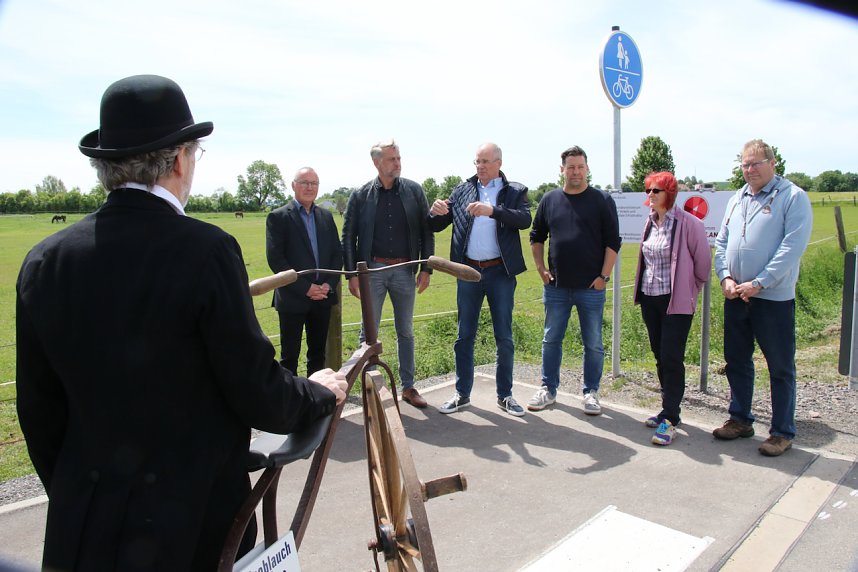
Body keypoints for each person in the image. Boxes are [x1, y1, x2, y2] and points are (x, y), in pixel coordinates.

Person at [15, 75, 347, 571]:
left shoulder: (45, 261)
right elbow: (256, 390)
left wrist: (81, 494)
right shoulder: (205, 251)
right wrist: (320, 391)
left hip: (83, 533)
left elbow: (38, 413)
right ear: (177, 160)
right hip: (190, 528)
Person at [713, 139, 813, 457]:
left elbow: (791, 248)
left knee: (780, 366)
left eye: (756, 163)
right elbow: (722, 242)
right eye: (745, 164)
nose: (750, 169)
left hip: (772, 298)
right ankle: (740, 419)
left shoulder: (793, 198)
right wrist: (725, 277)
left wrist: (761, 282)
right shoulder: (736, 199)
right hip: (736, 296)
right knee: (737, 361)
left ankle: (782, 432)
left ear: (773, 163)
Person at [429, 142, 532, 417]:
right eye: (477, 161)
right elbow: (436, 224)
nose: (480, 166)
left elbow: (524, 220)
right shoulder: (462, 190)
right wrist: (434, 210)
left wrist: (493, 211)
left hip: (500, 272)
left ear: (499, 163)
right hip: (468, 272)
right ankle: (462, 394)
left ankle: (505, 395)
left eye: (485, 161)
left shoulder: (514, 191)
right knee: (464, 336)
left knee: (504, 336)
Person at [527, 146, 621, 416]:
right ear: (562, 169)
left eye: (580, 166)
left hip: (591, 287)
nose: (575, 171)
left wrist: (604, 276)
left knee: (593, 342)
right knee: (551, 339)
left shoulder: (602, 200)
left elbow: (613, 242)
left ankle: (591, 392)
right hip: (556, 286)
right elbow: (536, 236)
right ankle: (548, 389)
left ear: (587, 168)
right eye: (571, 167)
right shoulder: (550, 200)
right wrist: (541, 269)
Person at [341, 139, 434, 408]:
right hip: (373, 270)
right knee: (368, 334)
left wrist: (426, 268)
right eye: (392, 159)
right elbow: (348, 237)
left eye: (399, 158)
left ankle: (409, 387)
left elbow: (426, 231)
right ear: (377, 162)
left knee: (405, 330)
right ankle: (371, 389)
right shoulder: (360, 195)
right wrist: (352, 275)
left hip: (405, 269)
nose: (398, 163)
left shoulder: (414, 191)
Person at [632, 172, 711, 446]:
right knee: (659, 355)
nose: (650, 195)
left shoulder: (689, 224)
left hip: (675, 301)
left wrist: (690, 291)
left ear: (670, 193)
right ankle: (668, 408)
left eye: (656, 190)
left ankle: (671, 418)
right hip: (650, 298)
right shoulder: (650, 223)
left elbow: (702, 266)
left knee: (671, 357)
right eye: (648, 191)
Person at [266, 167, 343, 376]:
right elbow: (276, 260)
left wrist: (327, 284)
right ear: (293, 185)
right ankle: (290, 406)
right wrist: (306, 288)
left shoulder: (326, 217)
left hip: (323, 297)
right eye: (304, 182)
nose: (310, 187)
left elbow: (337, 255)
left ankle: (316, 403)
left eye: (314, 183)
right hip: (293, 297)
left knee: (318, 355)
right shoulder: (278, 217)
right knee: (289, 357)